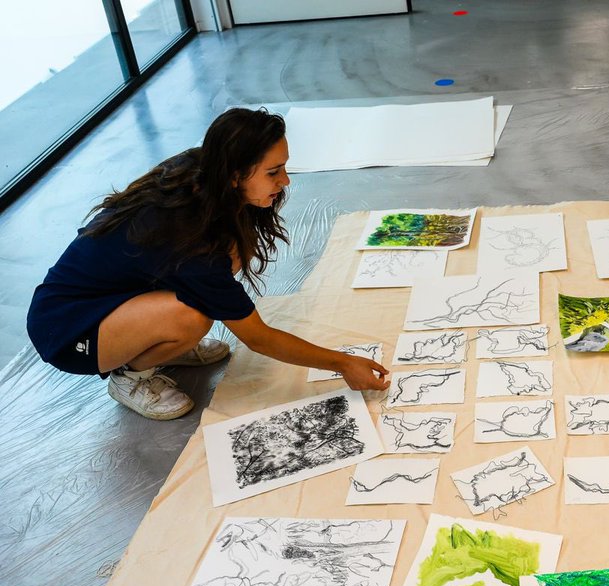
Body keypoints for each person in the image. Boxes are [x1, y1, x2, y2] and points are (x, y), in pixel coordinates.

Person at [26, 108, 389, 420]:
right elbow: (258, 337)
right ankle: (131, 377)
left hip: (115, 294)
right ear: (236, 174)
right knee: (194, 315)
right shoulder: (190, 245)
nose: (285, 180)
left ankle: (157, 338)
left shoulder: (203, 166)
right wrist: (342, 363)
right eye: (273, 172)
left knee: (232, 254)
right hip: (68, 329)